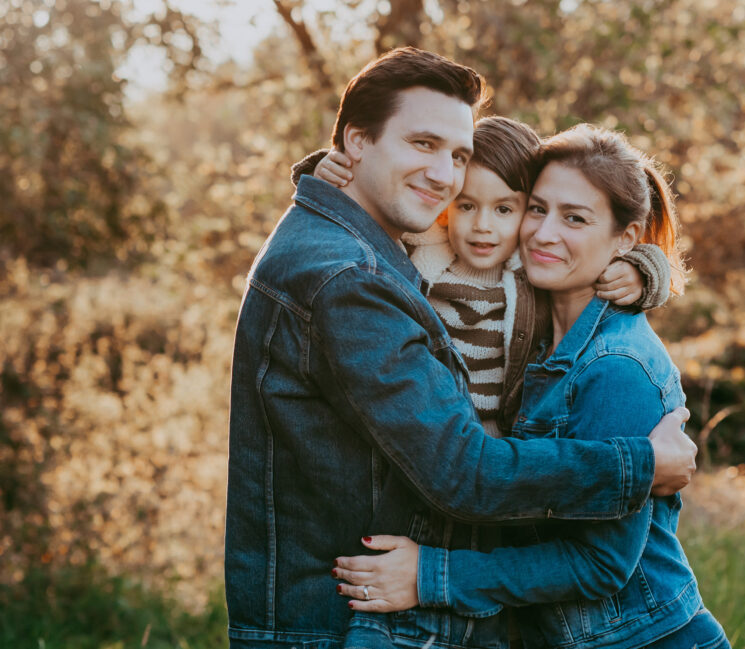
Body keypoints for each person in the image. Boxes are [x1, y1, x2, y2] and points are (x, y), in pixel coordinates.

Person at [226, 47, 698, 649]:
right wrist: (639, 465)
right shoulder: (351, 277)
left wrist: (645, 267)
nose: (446, 176)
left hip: (386, 610)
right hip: (342, 619)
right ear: (357, 142)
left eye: (458, 155)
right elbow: (463, 471)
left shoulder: (359, 244)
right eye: (423, 144)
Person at [332, 125, 731, 649]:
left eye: (575, 218)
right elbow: (441, 176)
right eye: (537, 209)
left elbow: (599, 563)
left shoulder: (616, 366)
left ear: (626, 239)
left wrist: (430, 575)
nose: (543, 233)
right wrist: (335, 167)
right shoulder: (531, 325)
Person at [292, 115, 673, 436]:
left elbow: (616, 252)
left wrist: (645, 269)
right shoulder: (431, 244)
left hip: (485, 450)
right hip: (423, 432)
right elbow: (378, 203)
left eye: (505, 210)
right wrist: (331, 168)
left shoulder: (531, 272)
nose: (483, 226)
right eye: (539, 210)